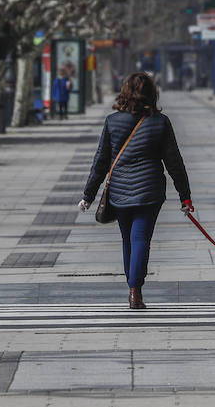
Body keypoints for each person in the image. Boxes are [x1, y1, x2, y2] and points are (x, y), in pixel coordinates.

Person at [79, 72, 193, 309]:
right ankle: (135, 290)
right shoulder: (160, 122)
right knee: (141, 238)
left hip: (120, 190)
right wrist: (185, 196)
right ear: (152, 94)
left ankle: (132, 286)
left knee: (127, 239)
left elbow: (101, 160)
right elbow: (174, 162)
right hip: (149, 191)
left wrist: (88, 195)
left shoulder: (112, 121)